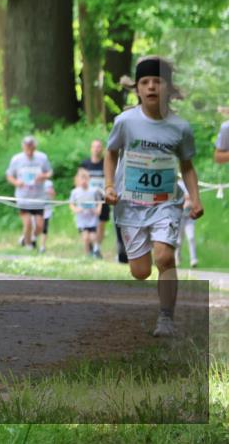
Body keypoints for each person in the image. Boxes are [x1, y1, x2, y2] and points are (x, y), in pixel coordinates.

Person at [103, 55, 203, 337]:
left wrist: (195, 198)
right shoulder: (125, 122)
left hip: (166, 203)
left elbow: (187, 166)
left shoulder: (180, 127)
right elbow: (111, 153)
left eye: (156, 82)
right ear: (136, 89)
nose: (150, 87)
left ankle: (166, 318)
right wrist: (109, 185)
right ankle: (159, 303)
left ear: (168, 88)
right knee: (140, 271)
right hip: (130, 205)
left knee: (165, 258)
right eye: (144, 82)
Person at [81, 139, 128, 262]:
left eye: (99, 147)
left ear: (101, 149)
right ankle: (88, 250)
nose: (96, 149)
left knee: (101, 224)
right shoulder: (85, 164)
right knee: (87, 225)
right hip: (88, 200)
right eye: (94, 146)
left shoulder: (106, 164)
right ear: (91, 148)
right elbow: (79, 180)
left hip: (103, 199)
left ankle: (97, 247)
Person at [6, 136, 53, 252]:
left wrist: (44, 176)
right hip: (23, 197)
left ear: (35, 146)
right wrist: (17, 182)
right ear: (23, 146)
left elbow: (50, 172)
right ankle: (28, 247)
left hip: (39, 197)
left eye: (31, 147)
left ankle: (27, 237)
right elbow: (9, 175)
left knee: (40, 226)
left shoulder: (42, 157)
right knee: (27, 223)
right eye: (27, 147)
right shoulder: (16, 159)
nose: (29, 150)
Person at [69, 168, 103, 258]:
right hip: (81, 220)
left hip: (92, 219)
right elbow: (71, 203)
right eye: (82, 179)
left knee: (92, 237)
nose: (84, 181)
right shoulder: (75, 192)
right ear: (78, 180)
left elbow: (99, 201)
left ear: (89, 179)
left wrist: (98, 209)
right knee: (85, 238)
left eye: (86, 179)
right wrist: (75, 209)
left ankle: (96, 250)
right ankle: (87, 255)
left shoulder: (94, 190)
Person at [176, 178, 198, 268]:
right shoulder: (178, 184)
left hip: (190, 216)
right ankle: (177, 257)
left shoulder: (192, 183)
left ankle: (193, 259)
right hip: (180, 215)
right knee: (179, 240)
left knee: (191, 237)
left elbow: (195, 196)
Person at [40, 178, 57, 253]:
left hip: (46, 207)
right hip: (35, 206)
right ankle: (28, 239)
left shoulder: (48, 183)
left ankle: (42, 246)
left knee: (44, 226)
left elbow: (53, 195)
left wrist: (51, 194)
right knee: (36, 226)